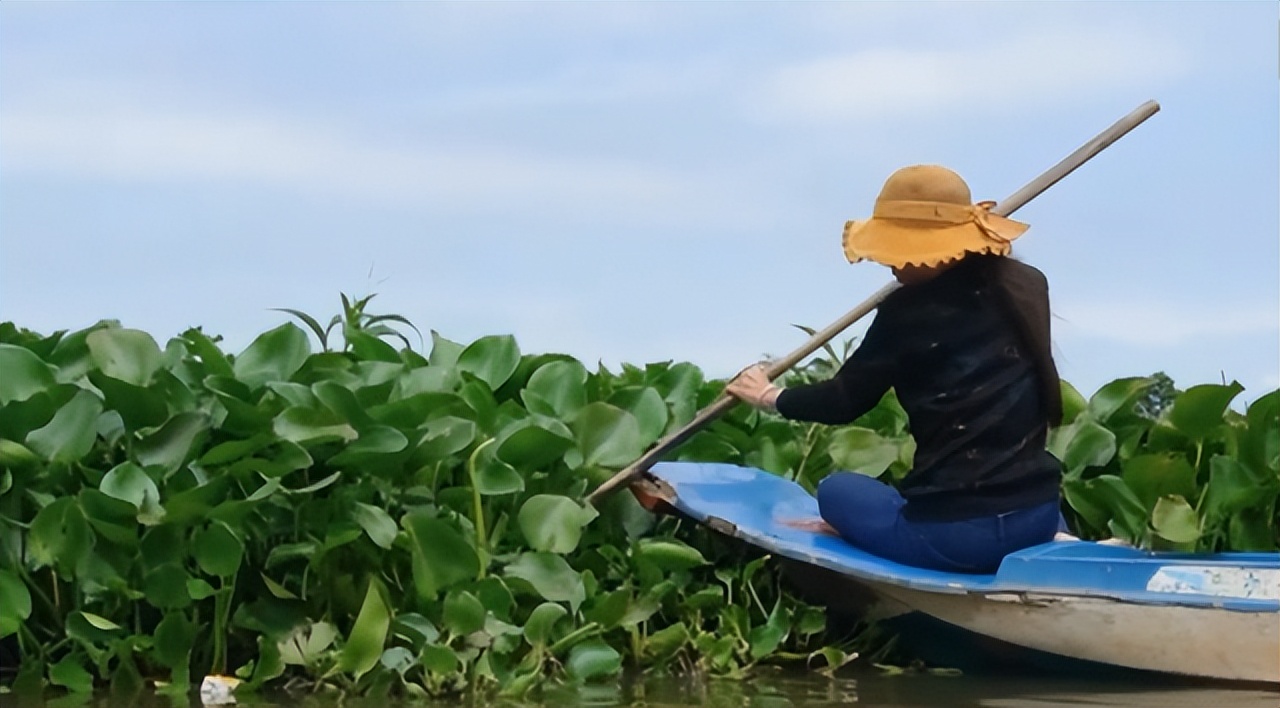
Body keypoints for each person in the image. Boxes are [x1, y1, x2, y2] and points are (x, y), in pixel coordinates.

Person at [726, 165, 1064, 574]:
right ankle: (1056, 537)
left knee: (837, 491)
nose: (890, 264)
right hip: (1039, 514)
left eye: (902, 250)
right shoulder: (1027, 284)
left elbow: (844, 401)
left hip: (954, 539)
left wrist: (768, 395)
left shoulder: (905, 315)